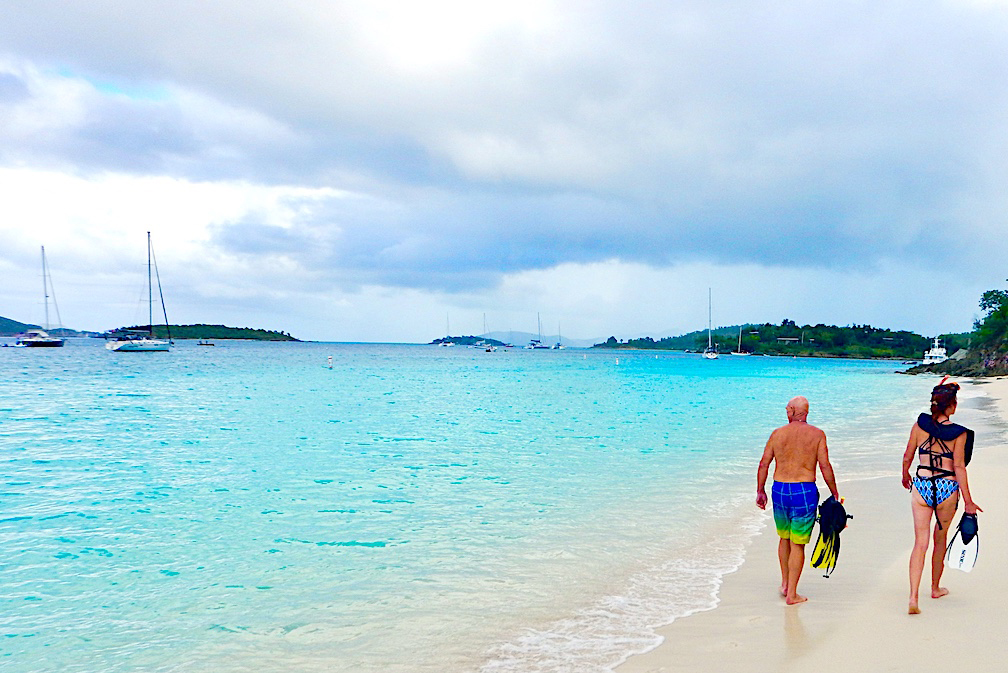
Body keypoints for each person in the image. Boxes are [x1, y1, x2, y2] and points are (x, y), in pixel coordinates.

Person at [901, 378, 981, 614]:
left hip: (922, 485)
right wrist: (969, 501)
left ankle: (913, 597)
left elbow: (907, 455)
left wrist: (905, 474)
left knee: (920, 543)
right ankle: (935, 588)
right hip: (947, 488)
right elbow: (959, 467)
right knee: (940, 538)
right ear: (952, 406)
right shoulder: (959, 434)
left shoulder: (919, 426)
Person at [756, 396, 840, 605]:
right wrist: (835, 493)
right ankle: (792, 593)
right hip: (804, 490)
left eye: (787, 408)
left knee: (784, 538)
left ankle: (785, 584)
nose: (786, 410)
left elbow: (764, 464)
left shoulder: (777, 434)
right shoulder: (817, 435)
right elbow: (825, 466)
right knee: (798, 543)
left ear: (793, 410)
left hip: (780, 489)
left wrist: (760, 491)